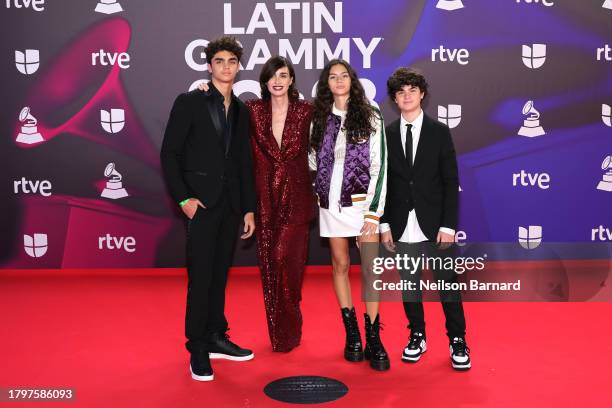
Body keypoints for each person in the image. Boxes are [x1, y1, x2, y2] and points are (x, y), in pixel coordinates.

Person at [200, 56, 314, 352]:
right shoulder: (252, 110)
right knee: (269, 267)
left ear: (291, 80)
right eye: (272, 76)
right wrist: (205, 91)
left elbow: (330, 141)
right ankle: (282, 333)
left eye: (284, 75)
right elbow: (222, 108)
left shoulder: (307, 111)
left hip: (297, 198)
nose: (277, 81)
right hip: (263, 199)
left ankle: (291, 322)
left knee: (285, 262)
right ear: (264, 82)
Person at [160, 36, 256, 382]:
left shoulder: (243, 109)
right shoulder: (190, 102)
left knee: (219, 275)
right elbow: (169, 153)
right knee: (200, 278)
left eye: (232, 61)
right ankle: (197, 347)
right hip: (200, 204)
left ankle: (216, 335)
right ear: (209, 65)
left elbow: (244, 162)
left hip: (230, 207)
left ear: (238, 65)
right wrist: (184, 199)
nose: (226, 67)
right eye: (219, 61)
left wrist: (248, 208)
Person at [380, 68, 471, 370]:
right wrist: (384, 223)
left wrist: (448, 225)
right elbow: (383, 182)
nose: (407, 96)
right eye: (401, 92)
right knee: (409, 284)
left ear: (422, 94)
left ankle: (457, 339)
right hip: (401, 223)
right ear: (394, 98)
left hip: (435, 223)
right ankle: (417, 334)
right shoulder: (387, 134)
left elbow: (450, 181)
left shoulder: (439, 132)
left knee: (447, 284)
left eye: (412, 90)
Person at [309, 59, 389, 371]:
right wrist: (324, 185)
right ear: (326, 83)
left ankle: (374, 336)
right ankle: (352, 333)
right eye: (333, 76)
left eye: (344, 76)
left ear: (352, 80)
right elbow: (313, 158)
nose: (339, 80)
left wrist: (373, 215)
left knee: (371, 271)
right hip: (331, 204)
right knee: (340, 264)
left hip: (362, 206)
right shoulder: (320, 118)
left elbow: (380, 164)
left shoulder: (370, 113)